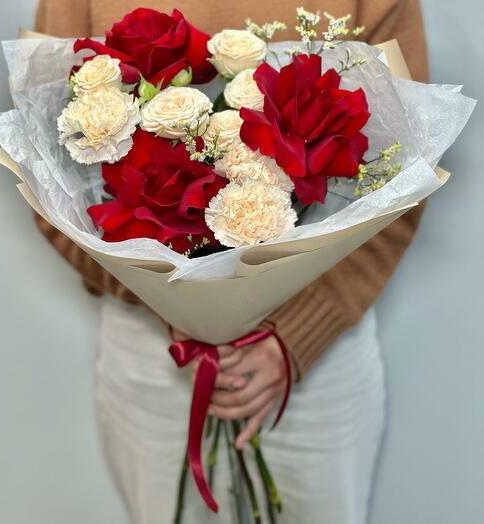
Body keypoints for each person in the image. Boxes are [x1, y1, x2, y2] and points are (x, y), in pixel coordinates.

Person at [34, 1, 428, 522]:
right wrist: (172, 298)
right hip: (157, 349)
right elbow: (46, 171)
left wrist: (299, 331)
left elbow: (405, 172)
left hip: (313, 360)